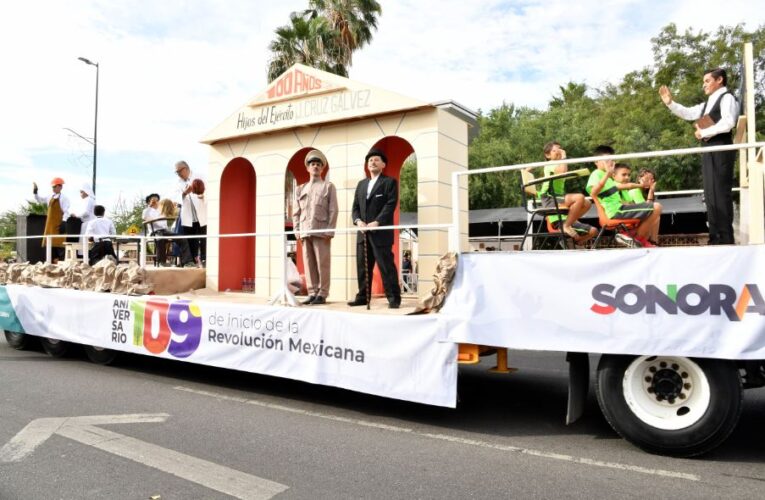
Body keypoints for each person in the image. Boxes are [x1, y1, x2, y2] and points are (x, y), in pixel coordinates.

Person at [659, 68, 739, 245]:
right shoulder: (707, 103)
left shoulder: (727, 98)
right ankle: (715, 236)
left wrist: (704, 132)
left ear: (719, 80)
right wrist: (670, 103)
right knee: (710, 193)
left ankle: (725, 238)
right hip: (708, 149)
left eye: (707, 81)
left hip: (721, 147)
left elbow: (729, 122)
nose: (704, 85)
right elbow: (688, 113)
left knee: (720, 191)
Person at [348, 148, 401, 309]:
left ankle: (394, 297)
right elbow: (355, 207)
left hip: (380, 233)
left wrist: (377, 222)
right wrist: (358, 221)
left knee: (386, 266)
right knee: (363, 267)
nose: (372, 162)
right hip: (363, 233)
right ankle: (363, 296)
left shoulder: (389, 182)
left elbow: (390, 204)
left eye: (376, 159)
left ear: (383, 164)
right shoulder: (361, 184)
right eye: (370, 160)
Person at [587, 146, 662, 247]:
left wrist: (643, 185)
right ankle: (637, 240)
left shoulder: (608, 178)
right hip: (615, 212)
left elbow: (626, 186)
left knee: (655, 210)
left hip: (619, 209)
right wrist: (607, 175)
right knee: (656, 207)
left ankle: (635, 240)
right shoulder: (597, 174)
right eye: (606, 160)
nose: (610, 162)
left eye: (612, 159)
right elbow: (593, 192)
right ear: (596, 161)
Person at [292, 150, 339, 305]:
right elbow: (296, 212)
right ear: (308, 168)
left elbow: (333, 209)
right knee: (308, 263)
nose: (316, 166)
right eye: (313, 164)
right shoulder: (300, 189)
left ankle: (323, 294)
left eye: (318, 164)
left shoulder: (328, 186)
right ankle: (312, 292)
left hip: (321, 230)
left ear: (322, 168)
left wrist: (330, 229)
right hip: (305, 230)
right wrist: (296, 230)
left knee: (322, 263)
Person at [532, 141, 596, 244]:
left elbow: (563, 171)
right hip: (549, 198)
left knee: (587, 203)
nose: (559, 152)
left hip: (557, 197)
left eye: (560, 150)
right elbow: (563, 171)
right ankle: (566, 226)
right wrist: (564, 157)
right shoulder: (550, 164)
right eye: (555, 150)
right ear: (548, 155)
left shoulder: (558, 164)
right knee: (579, 197)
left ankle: (573, 231)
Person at [142, 193, 195, 267]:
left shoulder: (161, 210)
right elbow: (144, 217)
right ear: (149, 202)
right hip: (155, 232)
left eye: (157, 200)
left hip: (165, 231)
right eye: (153, 200)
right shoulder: (146, 210)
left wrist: (174, 206)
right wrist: (149, 206)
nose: (155, 202)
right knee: (160, 238)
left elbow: (169, 217)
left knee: (182, 238)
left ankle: (187, 261)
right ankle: (161, 262)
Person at [174, 160, 207, 265]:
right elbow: (175, 198)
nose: (178, 173)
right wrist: (184, 193)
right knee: (191, 241)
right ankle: (192, 262)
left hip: (202, 214)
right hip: (188, 217)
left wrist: (203, 196)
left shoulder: (200, 176)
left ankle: (205, 260)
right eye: (176, 172)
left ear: (186, 168)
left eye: (180, 171)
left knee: (204, 239)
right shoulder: (177, 183)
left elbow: (210, 190)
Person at [33, 177, 70, 262]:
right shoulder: (50, 196)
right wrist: (35, 193)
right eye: (52, 187)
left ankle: (61, 265)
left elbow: (66, 211)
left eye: (54, 187)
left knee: (60, 246)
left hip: (59, 226)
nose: (53, 188)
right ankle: (50, 264)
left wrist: (64, 222)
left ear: (60, 187)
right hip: (50, 226)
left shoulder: (64, 198)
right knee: (49, 246)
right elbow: (40, 200)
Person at [68, 183, 96, 253]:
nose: (80, 194)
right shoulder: (87, 200)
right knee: (84, 243)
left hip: (88, 223)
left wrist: (76, 215)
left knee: (86, 242)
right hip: (86, 223)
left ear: (86, 191)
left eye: (81, 192)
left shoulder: (89, 199)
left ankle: (85, 257)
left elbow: (86, 212)